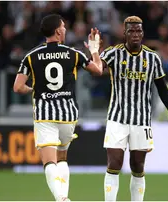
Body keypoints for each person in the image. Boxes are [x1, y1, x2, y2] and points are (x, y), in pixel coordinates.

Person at [13, 14, 103, 201]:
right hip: (68, 115)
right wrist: (94, 50)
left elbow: (17, 87)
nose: (65, 29)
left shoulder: (31, 57)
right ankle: (64, 197)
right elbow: (98, 70)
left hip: (45, 114)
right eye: (63, 26)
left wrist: (33, 89)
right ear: (57, 31)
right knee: (62, 158)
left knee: (49, 162)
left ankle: (62, 199)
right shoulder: (74, 53)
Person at [98, 16, 168, 201]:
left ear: (142, 33)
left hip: (141, 120)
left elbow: (162, 87)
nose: (135, 34)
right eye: (131, 31)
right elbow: (96, 69)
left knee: (137, 166)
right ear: (124, 33)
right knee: (115, 163)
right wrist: (95, 52)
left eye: (138, 31)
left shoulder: (152, 58)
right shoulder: (113, 53)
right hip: (117, 118)